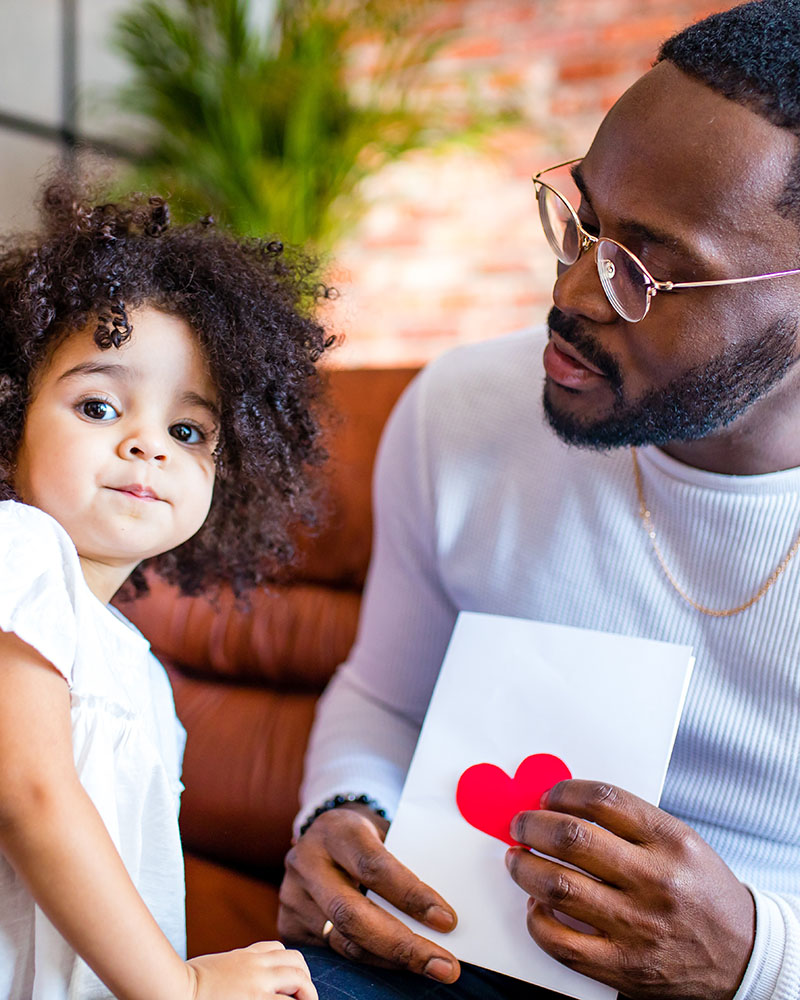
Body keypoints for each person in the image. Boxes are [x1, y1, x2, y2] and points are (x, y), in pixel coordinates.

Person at [278, 2, 800, 998]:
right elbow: (386, 695)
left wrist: (758, 958)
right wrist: (343, 811)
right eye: (582, 222)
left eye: (647, 272)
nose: (572, 294)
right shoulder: (465, 407)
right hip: (447, 953)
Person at [0, 176, 332, 999]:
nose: (148, 444)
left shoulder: (140, 670)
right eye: (98, 407)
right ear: (9, 423)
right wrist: (181, 988)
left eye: (188, 430)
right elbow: (31, 795)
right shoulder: (18, 549)